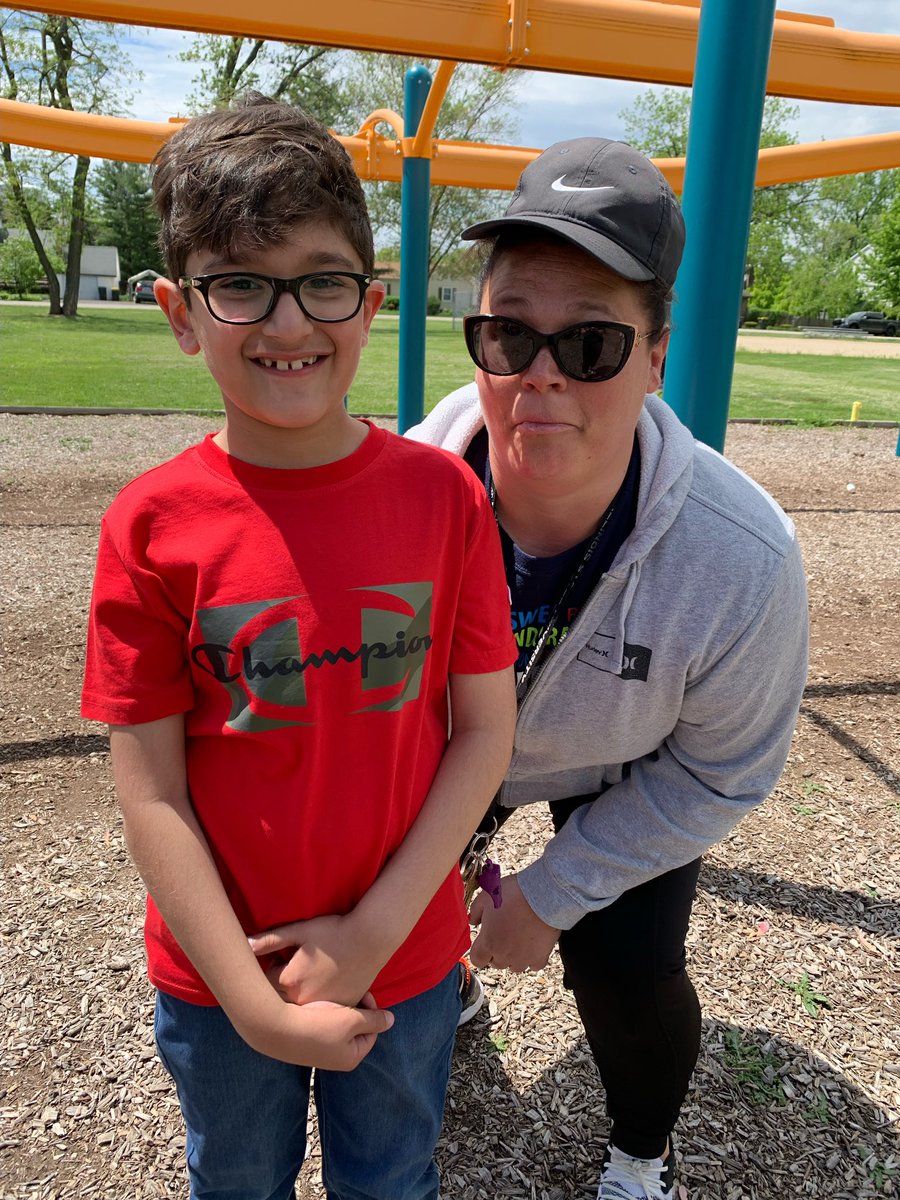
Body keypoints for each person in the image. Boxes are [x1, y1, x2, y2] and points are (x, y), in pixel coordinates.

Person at [80, 94, 518, 1200]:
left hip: (406, 964)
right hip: (223, 978)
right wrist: (253, 998)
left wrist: (369, 939)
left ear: (369, 302)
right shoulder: (151, 524)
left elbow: (483, 735)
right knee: (236, 1183)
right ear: (183, 313)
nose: (288, 325)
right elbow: (153, 794)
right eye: (241, 285)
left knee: (391, 1180)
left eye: (322, 281)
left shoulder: (445, 498)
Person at [408, 137, 809, 1200]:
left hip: (624, 757)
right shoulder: (395, 505)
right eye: (509, 335)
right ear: (479, 337)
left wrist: (556, 893)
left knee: (624, 969)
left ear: (657, 355)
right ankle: (442, 990)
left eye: (589, 345)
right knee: (403, 920)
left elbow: (723, 771)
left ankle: (641, 1155)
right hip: (452, 744)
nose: (541, 377)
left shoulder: (744, 555)